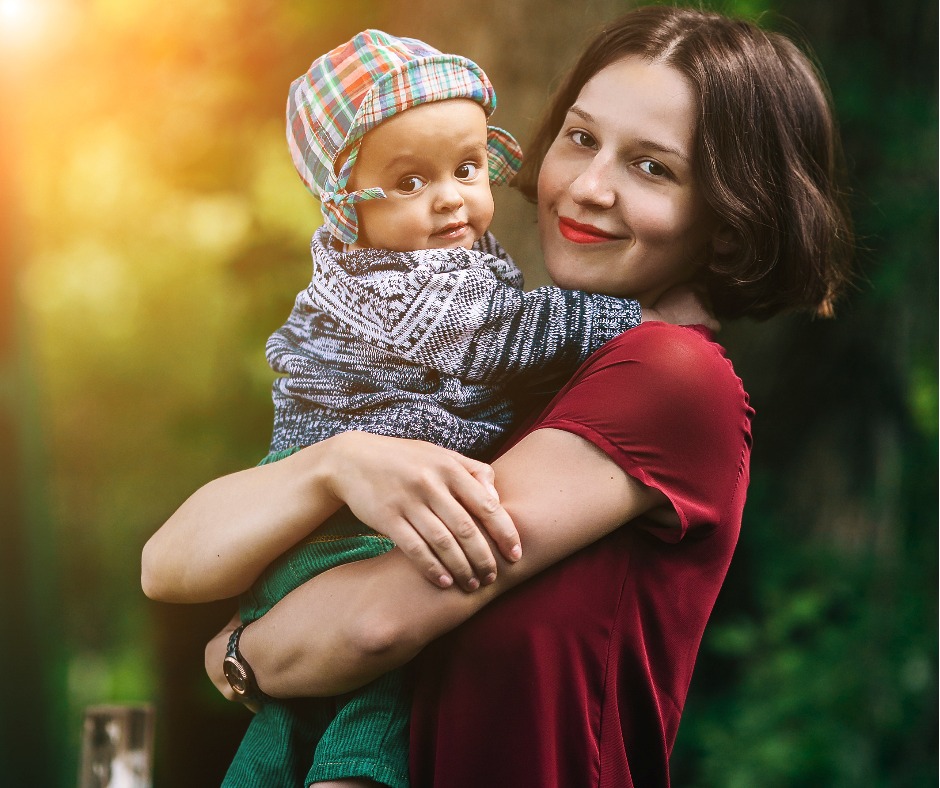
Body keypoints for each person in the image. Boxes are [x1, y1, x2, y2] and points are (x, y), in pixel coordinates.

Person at [142, 5, 853, 787]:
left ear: (729, 220)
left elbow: (375, 622)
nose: (587, 188)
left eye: (652, 167)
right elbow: (166, 562)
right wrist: (337, 464)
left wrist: (238, 653)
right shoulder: (502, 370)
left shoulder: (668, 375)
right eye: (581, 139)